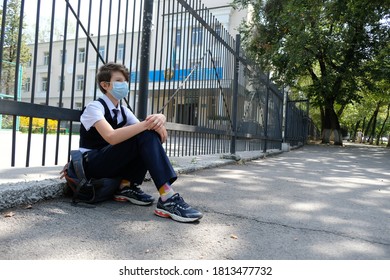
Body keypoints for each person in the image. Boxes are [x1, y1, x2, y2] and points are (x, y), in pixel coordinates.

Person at [79, 62, 203, 223]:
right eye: (119, 81)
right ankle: (167, 197)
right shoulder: (94, 107)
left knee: (146, 134)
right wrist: (149, 124)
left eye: (125, 81)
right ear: (105, 85)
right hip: (93, 164)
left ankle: (125, 187)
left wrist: (159, 119)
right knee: (144, 131)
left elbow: (150, 138)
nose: (124, 85)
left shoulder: (124, 111)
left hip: (109, 162)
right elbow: (111, 137)